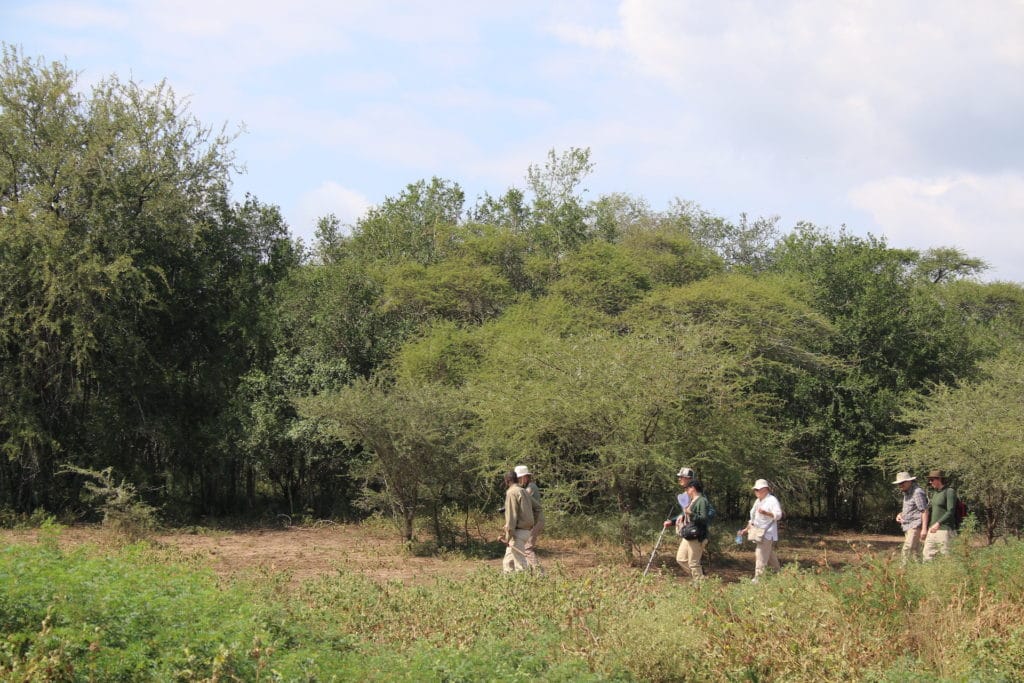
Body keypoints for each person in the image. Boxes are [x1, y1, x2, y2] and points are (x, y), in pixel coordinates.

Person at [738, 478, 782, 581]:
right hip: (758, 532)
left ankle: (758, 579)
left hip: (767, 533)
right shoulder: (757, 501)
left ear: (766, 489)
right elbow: (753, 519)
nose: (757, 492)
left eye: (759, 489)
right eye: (755, 490)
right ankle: (779, 575)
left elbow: (779, 515)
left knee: (760, 554)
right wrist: (746, 529)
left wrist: (766, 513)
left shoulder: (772, 500)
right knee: (769, 555)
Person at [500, 470, 537, 573]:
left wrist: (507, 537)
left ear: (507, 481)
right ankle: (509, 588)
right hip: (526, 531)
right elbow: (537, 508)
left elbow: (512, 517)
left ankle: (526, 587)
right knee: (508, 563)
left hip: (518, 533)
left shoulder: (512, 492)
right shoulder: (523, 490)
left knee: (520, 565)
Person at [675, 480, 710, 582]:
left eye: (688, 489)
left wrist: (691, 513)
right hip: (688, 535)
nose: (686, 491)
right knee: (681, 559)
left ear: (693, 488)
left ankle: (701, 585)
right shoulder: (692, 501)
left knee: (694, 563)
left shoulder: (702, 500)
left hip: (697, 535)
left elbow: (704, 518)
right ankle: (700, 579)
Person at [921, 469, 958, 561]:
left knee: (948, 558)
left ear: (939, 479)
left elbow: (951, 511)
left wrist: (938, 523)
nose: (930, 482)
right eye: (929, 480)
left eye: (932, 480)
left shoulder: (949, 491)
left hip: (945, 530)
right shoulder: (935, 493)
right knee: (926, 556)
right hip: (932, 530)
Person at [893, 471, 928, 564]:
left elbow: (924, 510)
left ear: (909, 481)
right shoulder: (907, 492)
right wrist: (900, 515)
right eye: (899, 483)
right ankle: (920, 573)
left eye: (902, 483)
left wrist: (924, 529)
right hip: (907, 526)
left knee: (906, 549)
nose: (900, 485)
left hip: (915, 526)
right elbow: (911, 509)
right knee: (915, 553)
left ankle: (901, 573)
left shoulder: (917, 492)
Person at [514, 465, 544, 571]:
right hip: (532, 521)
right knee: (524, 547)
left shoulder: (530, 487)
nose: (518, 480)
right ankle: (532, 572)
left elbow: (522, 501)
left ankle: (540, 574)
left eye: (519, 478)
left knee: (527, 548)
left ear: (526, 477)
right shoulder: (525, 488)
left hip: (536, 521)